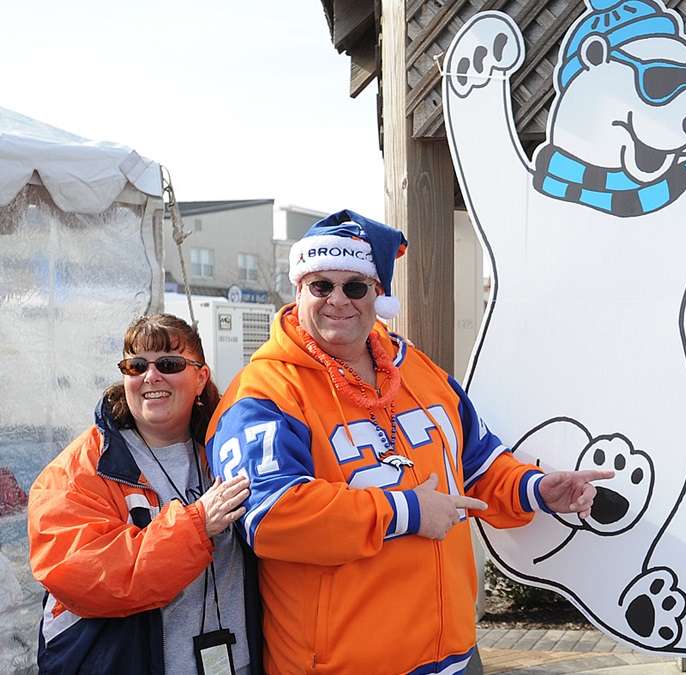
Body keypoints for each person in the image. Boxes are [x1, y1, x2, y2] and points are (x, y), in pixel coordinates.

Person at [206, 210, 612, 674]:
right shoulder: (261, 393)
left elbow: (477, 466)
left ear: (378, 294)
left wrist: (536, 489)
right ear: (298, 290)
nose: (338, 300)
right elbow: (272, 516)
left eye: (354, 286)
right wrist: (407, 512)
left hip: (453, 656)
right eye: (321, 285)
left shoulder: (417, 370)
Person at [28, 314, 261, 675]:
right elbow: (84, 576)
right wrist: (197, 524)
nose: (151, 376)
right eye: (136, 365)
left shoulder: (230, 448)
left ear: (201, 377)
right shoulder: (80, 468)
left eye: (169, 363)